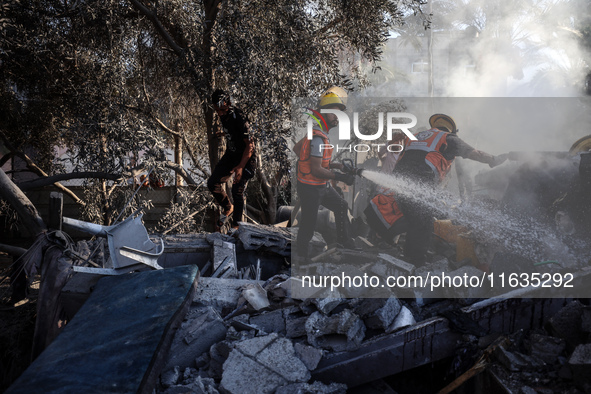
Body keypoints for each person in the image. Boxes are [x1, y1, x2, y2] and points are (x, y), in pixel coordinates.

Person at [393, 113, 507, 265]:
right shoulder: (448, 138)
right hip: (421, 182)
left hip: (398, 181)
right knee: (424, 222)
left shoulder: (416, 136)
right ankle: (417, 264)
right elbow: (475, 153)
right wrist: (493, 160)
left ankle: (408, 258)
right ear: (451, 130)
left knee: (414, 220)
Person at [294, 86, 359, 259]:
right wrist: (340, 177)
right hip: (311, 188)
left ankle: (344, 242)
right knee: (309, 223)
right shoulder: (317, 137)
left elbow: (298, 149)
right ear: (323, 112)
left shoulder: (318, 132)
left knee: (341, 206)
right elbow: (316, 169)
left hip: (320, 185)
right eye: (334, 114)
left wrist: (338, 166)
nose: (337, 118)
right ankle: (302, 258)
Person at [207, 89, 256, 229]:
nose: (220, 113)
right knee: (212, 183)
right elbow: (235, 132)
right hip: (232, 154)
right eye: (217, 110)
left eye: (222, 109)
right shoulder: (223, 115)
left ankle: (236, 227)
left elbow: (250, 145)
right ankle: (228, 207)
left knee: (237, 190)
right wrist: (224, 133)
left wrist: (240, 166)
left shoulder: (239, 117)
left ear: (228, 103)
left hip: (246, 157)